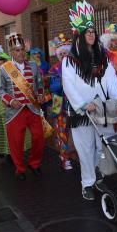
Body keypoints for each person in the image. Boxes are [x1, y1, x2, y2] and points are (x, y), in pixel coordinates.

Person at [61, 0, 117, 201]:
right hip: (82, 112)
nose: (91, 34)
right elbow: (68, 85)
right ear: (79, 35)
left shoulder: (103, 57)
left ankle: (99, 173)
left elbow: (110, 79)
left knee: (104, 144)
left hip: (103, 109)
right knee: (85, 147)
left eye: (92, 31)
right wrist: (82, 104)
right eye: (87, 32)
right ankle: (87, 183)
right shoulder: (70, 60)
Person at [0, 33, 46, 181]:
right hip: (14, 111)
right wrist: (11, 101)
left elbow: (39, 84)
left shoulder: (33, 66)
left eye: (22, 49)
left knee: (39, 137)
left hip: (32, 108)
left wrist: (41, 94)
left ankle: (34, 164)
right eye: (17, 50)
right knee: (16, 141)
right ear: (11, 52)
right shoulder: (5, 69)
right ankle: (20, 168)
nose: (21, 53)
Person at [48, 33, 73, 171]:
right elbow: (52, 87)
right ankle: (65, 158)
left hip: (75, 105)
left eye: (66, 52)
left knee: (76, 133)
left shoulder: (76, 67)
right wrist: (62, 83)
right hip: (60, 103)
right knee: (61, 132)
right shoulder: (55, 69)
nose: (64, 55)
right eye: (61, 53)